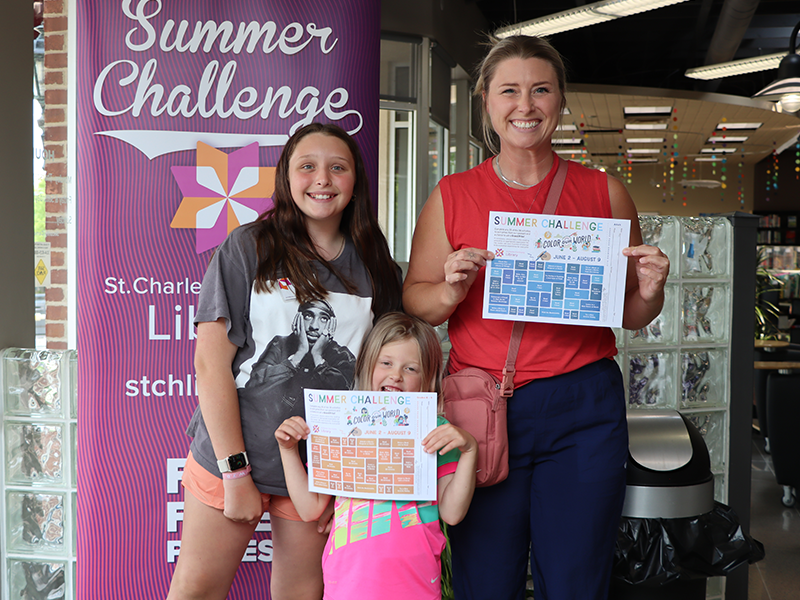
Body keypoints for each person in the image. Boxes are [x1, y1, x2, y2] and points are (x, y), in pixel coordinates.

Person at [402, 35, 670, 600]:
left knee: (576, 577)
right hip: (483, 408)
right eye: (510, 91)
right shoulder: (452, 195)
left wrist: (650, 289)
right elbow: (416, 304)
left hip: (583, 408)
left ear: (560, 100)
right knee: (485, 578)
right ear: (486, 102)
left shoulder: (605, 192)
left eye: (541, 90)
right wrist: (449, 289)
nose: (526, 105)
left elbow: (630, 313)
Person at [167, 123, 403, 600]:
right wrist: (235, 473)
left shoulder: (376, 263)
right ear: (286, 178)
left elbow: (384, 373)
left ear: (355, 179)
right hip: (234, 457)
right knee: (196, 590)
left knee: (301, 595)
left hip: (320, 470)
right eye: (307, 167)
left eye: (338, 167)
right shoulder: (249, 246)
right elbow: (211, 366)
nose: (323, 179)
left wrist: (357, 474)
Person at [274, 312, 477, 600]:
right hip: (348, 581)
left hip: (415, 582)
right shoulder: (340, 424)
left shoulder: (437, 431)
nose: (396, 375)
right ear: (368, 365)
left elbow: (452, 513)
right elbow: (310, 509)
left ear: (428, 378)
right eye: (386, 363)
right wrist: (287, 450)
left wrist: (469, 451)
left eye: (411, 368)